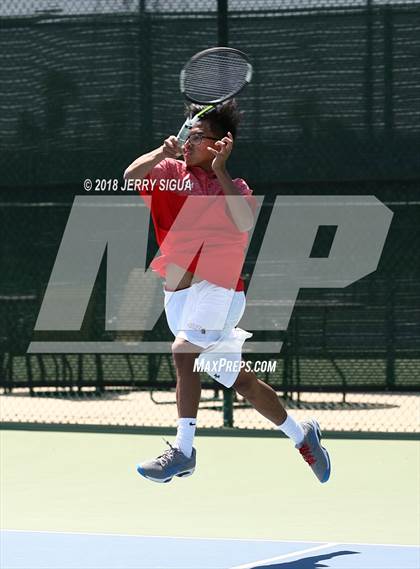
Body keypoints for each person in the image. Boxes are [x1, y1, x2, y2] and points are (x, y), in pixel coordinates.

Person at [123, 100, 331, 484]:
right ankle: (304, 438)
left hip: (220, 289)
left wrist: (219, 171)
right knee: (243, 382)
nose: (188, 141)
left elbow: (244, 220)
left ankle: (183, 452)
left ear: (221, 144)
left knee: (183, 351)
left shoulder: (234, 188)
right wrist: (160, 152)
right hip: (180, 299)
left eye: (198, 136)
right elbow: (130, 174)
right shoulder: (169, 171)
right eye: (188, 133)